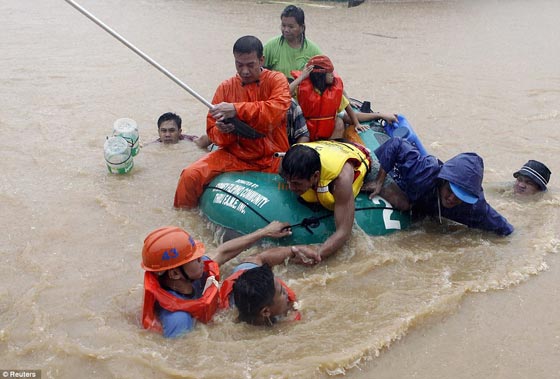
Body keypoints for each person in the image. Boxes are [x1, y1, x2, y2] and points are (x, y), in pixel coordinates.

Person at [141, 221, 319, 338]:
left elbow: (222, 252)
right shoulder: (178, 322)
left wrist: (264, 232)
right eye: (196, 258)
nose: (202, 258)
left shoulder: (188, 273)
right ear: (174, 274)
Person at [174, 36, 291, 208]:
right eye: (239, 64)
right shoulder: (225, 87)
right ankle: (183, 222)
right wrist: (223, 130)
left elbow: (275, 111)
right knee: (189, 175)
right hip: (235, 156)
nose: (244, 71)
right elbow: (212, 131)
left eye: (250, 65)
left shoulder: (277, 80)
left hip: (272, 157)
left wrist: (236, 109)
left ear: (261, 60)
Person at [367, 137, 514, 236]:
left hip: (424, 203)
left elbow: (504, 228)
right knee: (405, 204)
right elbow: (396, 144)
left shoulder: (474, 208)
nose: (451, 199)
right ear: (443, 181)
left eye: (459, 198)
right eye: (450, 191)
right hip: (403, 180)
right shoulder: (424, 171)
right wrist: (379, 181)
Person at [280, 140, 371, 259]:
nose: (291, 187)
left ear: (316, 176)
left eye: (297, 183)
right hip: (329, 145)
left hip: (357, 151)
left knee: (394, 195)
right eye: (288, 181)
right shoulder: (285, 165)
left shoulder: (340, 181)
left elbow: (344, 232)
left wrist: (318, 254)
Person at [289, 55, 370, 140]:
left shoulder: (333, 91)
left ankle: (332, 145)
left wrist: (357, 124)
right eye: (330, 73)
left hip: (328, 133)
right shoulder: (300, 89)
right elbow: (285, 94)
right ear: (320, 75)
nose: (333, 75)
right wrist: (302, 77)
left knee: (339, 121)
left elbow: (348, 107)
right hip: (306, 131)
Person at [263, 5, 322, 81]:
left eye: (291, 27)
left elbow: (328, 73)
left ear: (302, 28)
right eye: (283, 25)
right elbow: (258, 71)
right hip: (278, 91)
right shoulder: (270, 46)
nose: (286, 30)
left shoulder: (313, 51)